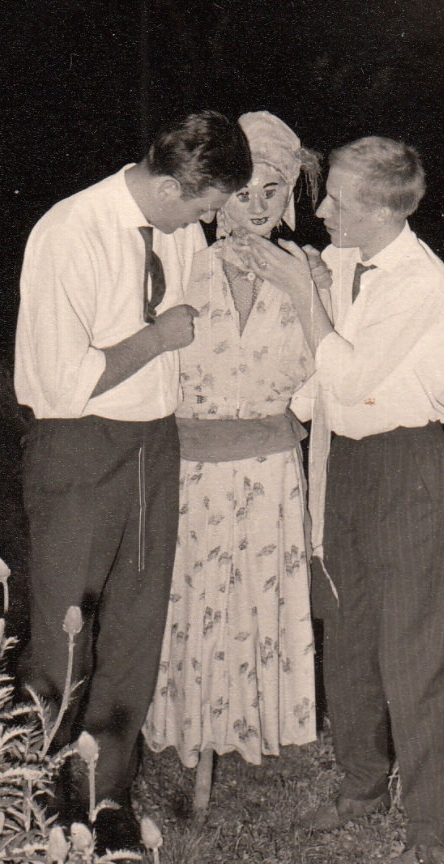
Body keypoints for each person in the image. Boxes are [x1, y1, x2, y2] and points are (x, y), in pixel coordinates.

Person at [14, 111, 252, 855]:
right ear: (175, 184)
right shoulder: (71, 231)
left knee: (135, 630)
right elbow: (63, 383)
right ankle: (36, 797)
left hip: (155, 442)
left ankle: (105, 792)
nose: (214, 219)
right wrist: (156, 338)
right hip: (80, 444)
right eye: (209, 203)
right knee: (66, 632)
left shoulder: (180, 232)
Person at [244, 136, 444, 864]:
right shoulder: (343, 261)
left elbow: (357, 375)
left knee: (412, 655)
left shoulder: (423, 284)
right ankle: (362, 786)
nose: (323, 208)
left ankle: (435, 834)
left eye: (336, 199)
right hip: (346, 463)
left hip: (407, 467)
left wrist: (308, 300)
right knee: (348, 632)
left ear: (380, 210)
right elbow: (320, 378)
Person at [142, 112, 321, 809]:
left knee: (253, 604)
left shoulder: (310, 274)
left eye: (271, 194)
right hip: (192, 472)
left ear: (289, 199)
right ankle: (194, 739)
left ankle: (246, 725)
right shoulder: (183, 267)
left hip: (270, 473)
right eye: (243, 192)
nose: (254, 209)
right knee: (195, 603)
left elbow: (321, 381)